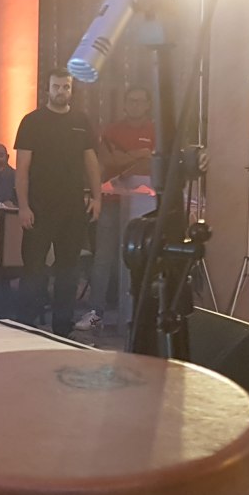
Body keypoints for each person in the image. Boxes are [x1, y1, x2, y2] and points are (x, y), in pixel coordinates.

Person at [15, 69, 101, 337]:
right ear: (47, 89)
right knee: (33, 270)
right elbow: (22, 168)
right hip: (39, 207)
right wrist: (23, 206)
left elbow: (91, 162)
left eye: (66, 87)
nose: (61, 91)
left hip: (73, 208)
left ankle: (62, 328)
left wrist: (97, 197)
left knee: (69, 271)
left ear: (71, 89)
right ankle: (25, 325)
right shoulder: (32, 121)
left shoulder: (81, 121)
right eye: (56, 87)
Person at [77, 86, 156, 332]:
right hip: (111, 203)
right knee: (103, 258)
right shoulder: (112, 131)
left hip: (143, 208)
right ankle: (95, 313)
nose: (135, 105)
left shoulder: (156, 131)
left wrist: (126, 157)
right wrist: (140, 153)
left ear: (148, 105)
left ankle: (138, 313)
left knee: (140, 258)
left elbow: (152, 164)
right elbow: (109, 161)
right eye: (131, 101)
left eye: (140, 101)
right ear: (124, 104)